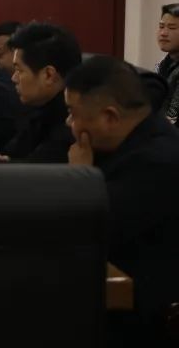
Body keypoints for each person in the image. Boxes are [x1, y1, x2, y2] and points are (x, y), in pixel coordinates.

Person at [65, 55, 179, 346]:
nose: (69, 123)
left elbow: (86, 231)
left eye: (73, 114)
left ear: (110, 117)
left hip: (143, 317)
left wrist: (81, 175)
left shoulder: (157, 161)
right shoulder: (131, 141)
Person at [1, 22, 81, 162]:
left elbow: (34, 171)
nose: (14, 78)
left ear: (48, 75)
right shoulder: (38, 109)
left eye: (19, 70)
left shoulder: (71, 126)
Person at [155, 3, 179, 125]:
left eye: (172, 28)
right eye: (161, 26)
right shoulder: (165, 64)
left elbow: (171, 118)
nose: (163, 33)